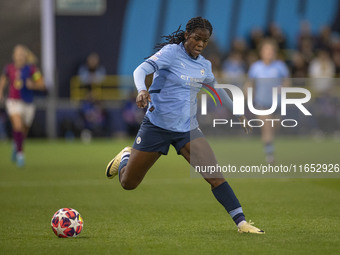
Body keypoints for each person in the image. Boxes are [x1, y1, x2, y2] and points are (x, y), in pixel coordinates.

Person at [105, 17, 264, 234]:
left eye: (205, 41)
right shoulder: (171, 52)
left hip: (187, 129)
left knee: (215, 176)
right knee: (128, 183)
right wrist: (142, 90)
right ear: (187, 35)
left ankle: (242, 223)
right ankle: (125, 156)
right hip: (156, 126)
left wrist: (238, 113)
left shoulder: (204, 66)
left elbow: (217, 90)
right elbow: (140, 71)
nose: (200, 44)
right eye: (197, 38)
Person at [245, 38, 289, 164]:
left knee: (275, 128)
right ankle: (270, 156)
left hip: (277, 103)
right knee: (267, 128)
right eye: (266, 50)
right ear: (261, 52)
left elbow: (286, 81)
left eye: (271, 50)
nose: (269, 52)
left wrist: (283, 88)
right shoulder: (256, 67)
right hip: (261, 103)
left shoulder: (280, 66)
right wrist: (247, 94)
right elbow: (249, 83)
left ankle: (269, 147)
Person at [0, 44, 45, 167]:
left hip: (28, 103)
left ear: (25, 56)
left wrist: (33, 85)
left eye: (22, 54)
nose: (20, 56)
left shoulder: (32, 69)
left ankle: (16, 146)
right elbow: (3, 80)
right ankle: (21, 155)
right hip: (14, 101)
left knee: (23, 131)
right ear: (14, 56)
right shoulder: (9, 68)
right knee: (18, 126)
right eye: (18, 54)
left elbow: (42, 84)